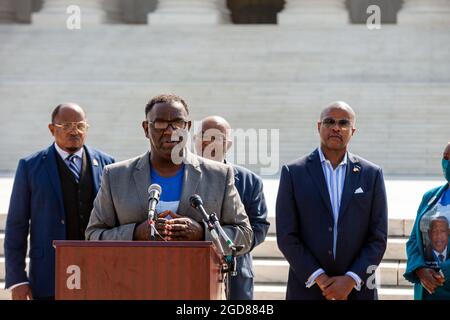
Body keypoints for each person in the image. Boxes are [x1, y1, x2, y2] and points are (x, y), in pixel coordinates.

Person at [85, 94, 253, 258]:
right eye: (160, 123)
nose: (169, 131)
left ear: (187, 127)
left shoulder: (219, 175)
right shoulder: (115, 176)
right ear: (146, 128)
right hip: (132, 281)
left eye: (177, 123)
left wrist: (203, 233)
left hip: (196, 282)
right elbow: (93, 235)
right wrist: (135, 233)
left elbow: (245, 236)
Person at [276, 101, 388, 300]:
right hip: (307, 289)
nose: (336, 128)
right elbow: (286, 235)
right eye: (329, 122)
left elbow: (378, 237)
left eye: (343, 123)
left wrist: (350, 280)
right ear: (319, 127)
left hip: (357, 290)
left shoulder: (372, 174)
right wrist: (319, 278)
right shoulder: (293, 173)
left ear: (353, 131)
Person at [4, 103, 115, 300]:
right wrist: (18, 279)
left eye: (80, 125)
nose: (75, 131)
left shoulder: (109, 164)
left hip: (100, 271)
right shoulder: (30, 167)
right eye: (67, 126)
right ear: (52, 129)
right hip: (48, 274)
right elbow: (16, 225)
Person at [194, 115, 270, 300]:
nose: (209, 142)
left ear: (228, 144)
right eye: (204, 135)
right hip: (192, 268)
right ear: (195, 141)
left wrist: (225, 245)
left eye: (217, 137)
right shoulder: (180, 178)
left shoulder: (249, 181)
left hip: (236, 270)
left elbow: (258, 226)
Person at [404, 142, 450, 300]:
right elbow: (413, 241)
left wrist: (442, 273)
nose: (448, 162)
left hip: (442, 282)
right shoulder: (430, 196)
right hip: (427, 289)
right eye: (445, 157)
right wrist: (419, 269)